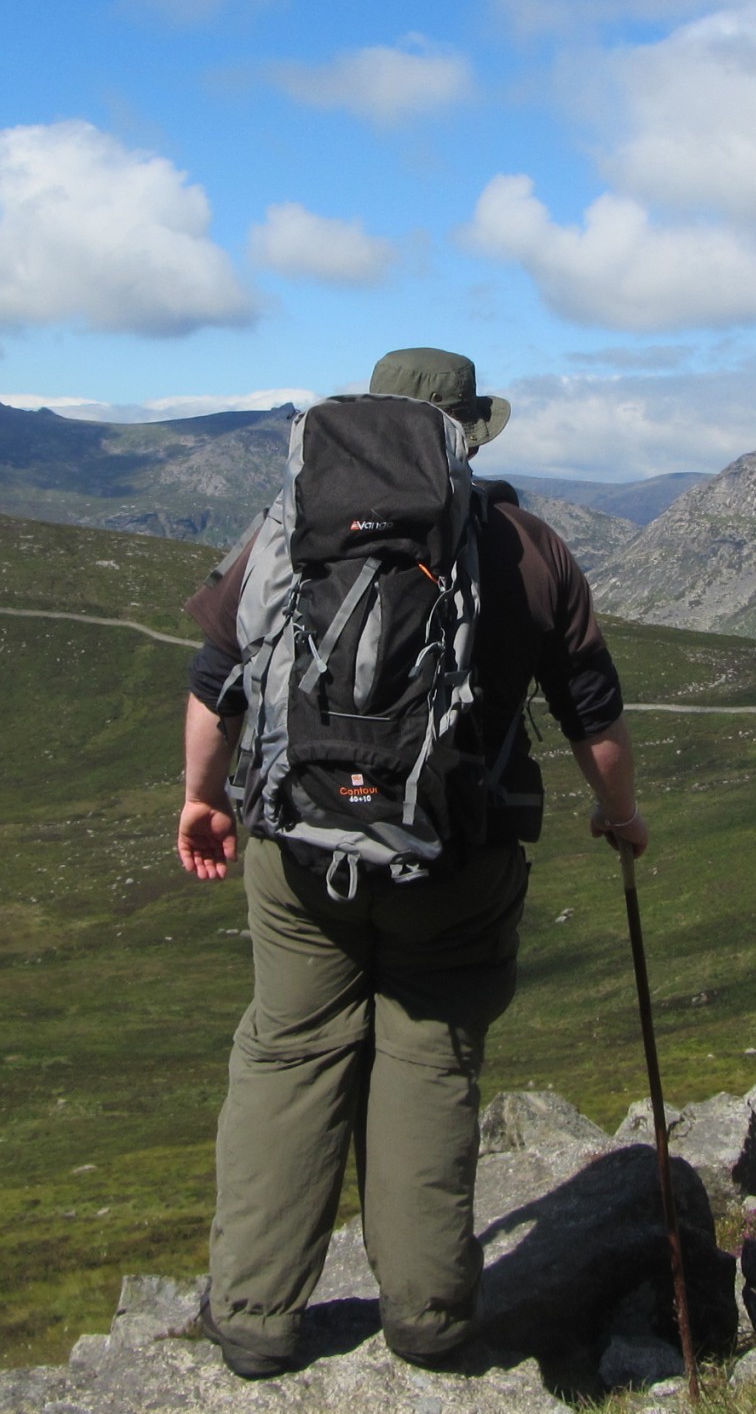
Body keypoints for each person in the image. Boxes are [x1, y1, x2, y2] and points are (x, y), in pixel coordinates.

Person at [175, 346, 648, 1378]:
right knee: (430, 1061)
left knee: (289, 1052)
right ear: (469, 433)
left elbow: (217, 676)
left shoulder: (290, 520)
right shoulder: (528, 547)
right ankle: (428, 1322)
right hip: (456, 862)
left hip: (299, 855)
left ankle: (254, 1321)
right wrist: (621, 817)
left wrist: (202, 799)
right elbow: (594, 715)